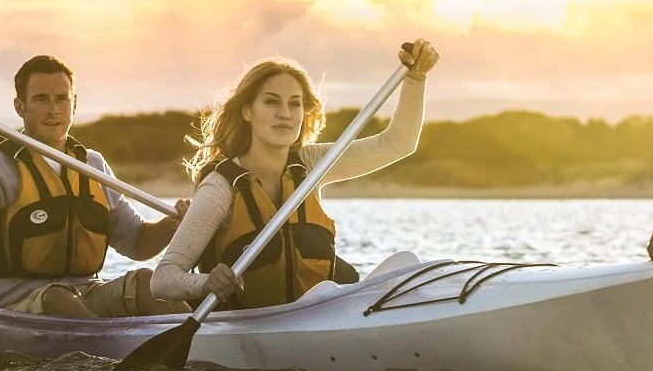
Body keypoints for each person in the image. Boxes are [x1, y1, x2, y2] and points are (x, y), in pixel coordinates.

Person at [151, 40, 439, 310]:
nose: (285, 114)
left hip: (318, 311)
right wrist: (205, 283)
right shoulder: (220, 188)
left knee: (406, 262)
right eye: (272, 102)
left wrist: (416, 79)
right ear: (247, 111)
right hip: (253, 324)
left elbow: (397, 144)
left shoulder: (312, 164)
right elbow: (162, 278)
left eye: (295, 104)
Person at [0, 54, 189, 318]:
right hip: (15, 303)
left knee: (148, 284)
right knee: (57, 297)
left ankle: (198, 336)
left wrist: (172, 225)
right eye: (41, 99)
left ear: (74, 103)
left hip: (86, 294)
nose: (53, 110)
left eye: (61, 98)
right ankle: (99, 345)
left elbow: (137, 243)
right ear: (20, 107)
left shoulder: (93, 164)